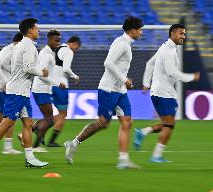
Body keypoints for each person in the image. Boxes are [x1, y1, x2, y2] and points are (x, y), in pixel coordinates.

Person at [64, 16, 143, 169]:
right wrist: (124, 79)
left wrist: (124, 81)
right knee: (103, 123)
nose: (141, 33)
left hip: (120, 90)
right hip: (108, 89)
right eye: (140, 30)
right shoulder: (121, 43)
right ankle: (73, 143)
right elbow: (107, 63)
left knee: (127, 121)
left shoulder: (126, 43)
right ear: (133, 30)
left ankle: (123, 159)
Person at [0, 18, 49, 169]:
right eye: (37, 28)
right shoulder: (28, 46)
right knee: (8, 122)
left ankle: (30, 158)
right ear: (30, 30)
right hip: (17, 91)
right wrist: (42, 72)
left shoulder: (23, 45)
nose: (39, 30)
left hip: (22, 91)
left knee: (28, 123)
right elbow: (28, 68)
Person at [133, 24, 200, 162]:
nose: (183, 37)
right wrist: (191, 77)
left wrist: (146, 83)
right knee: (169, 125)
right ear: (173, 33)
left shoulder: (164, 47)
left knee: (166, 123)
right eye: (181, 34)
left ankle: (143, 132)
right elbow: (172, 74)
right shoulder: (169, 51)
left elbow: (149, 64)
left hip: (157, 92)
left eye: (184, 34)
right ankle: (156, 155)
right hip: (165, 93)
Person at [30, 29, 65, 151]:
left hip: (44, 90)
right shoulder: (46, 54)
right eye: (56, 41)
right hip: (40, 89)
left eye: (59, 41)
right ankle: (34, 146)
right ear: (49, 40)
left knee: (49, 118)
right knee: (49, 118)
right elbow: (40, 74)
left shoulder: (49, 53)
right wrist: (57, 83)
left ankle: (33, 140)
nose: (58, 43)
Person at [46, 36, 81, 147]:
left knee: (59, 114)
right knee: (63, 114)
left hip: (51, 84)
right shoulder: (68, 51)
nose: (75, 50)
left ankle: (37, 128)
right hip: (61, 86)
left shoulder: (57, 48)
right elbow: (66, 69)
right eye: (76, 47)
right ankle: (51, 141)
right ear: (73, 44)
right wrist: (75, 76)